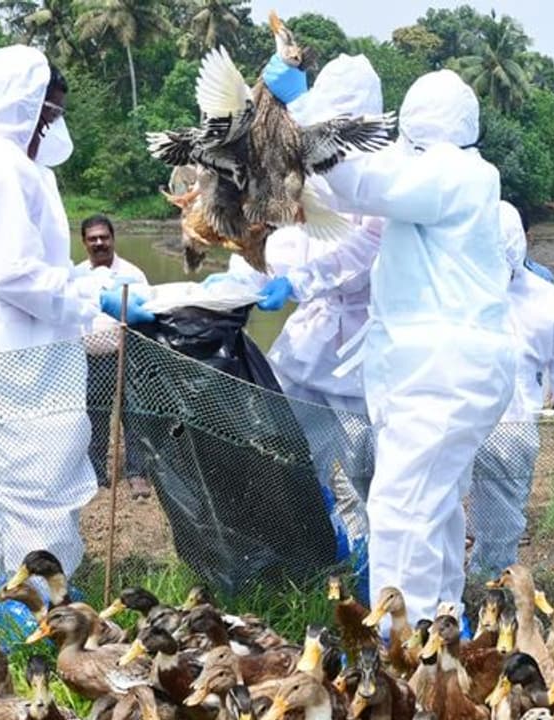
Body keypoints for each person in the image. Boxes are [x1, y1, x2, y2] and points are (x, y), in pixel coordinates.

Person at [266, 64, 514, 623]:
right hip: (443, 373)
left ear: (417, 128)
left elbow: (360, 181)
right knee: (436, 503)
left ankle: (407, 637)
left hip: (443, 375)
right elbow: (347, 186)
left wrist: (303, 105)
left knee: (403, 508)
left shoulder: (452, 176)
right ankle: (445, 619)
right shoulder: (452, 175)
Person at [0, 45, 153, 623]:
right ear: (23, 106)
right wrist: (88, 300)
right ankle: (45, 614)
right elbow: (14, 273)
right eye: (47, 116)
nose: (48, 129)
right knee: (42, 484)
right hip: (11, 348)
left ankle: (3, 587)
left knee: (12, 484)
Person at [218, 54, 387, 579]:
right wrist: (243, 277)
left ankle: (373, 566)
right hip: (310, 343)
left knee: (371, 474)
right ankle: (308, 554)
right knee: (289, 454)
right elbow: (292, 238)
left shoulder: (383, 176)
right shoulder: (315, 171)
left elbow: (362, 250)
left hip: (361, 351)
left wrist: (301, 282)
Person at [465, 201, 554, 577]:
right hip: (451, 417)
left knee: (502, 524)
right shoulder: (451, 293)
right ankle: (434, 594)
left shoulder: (546, 300)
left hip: (513, 424)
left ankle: (486, 587)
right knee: (436, 513)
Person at [76, 214, 153, 498]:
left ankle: (137, 474)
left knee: (134, 414)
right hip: (91, 358)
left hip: (128, 355)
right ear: (84, 242)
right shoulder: (76, 275)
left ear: (113, 239)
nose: (99, 243)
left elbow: (148, 315)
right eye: (93, 238)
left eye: (104, 237)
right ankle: (97, 475)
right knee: (94, 416)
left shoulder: (133, 274)